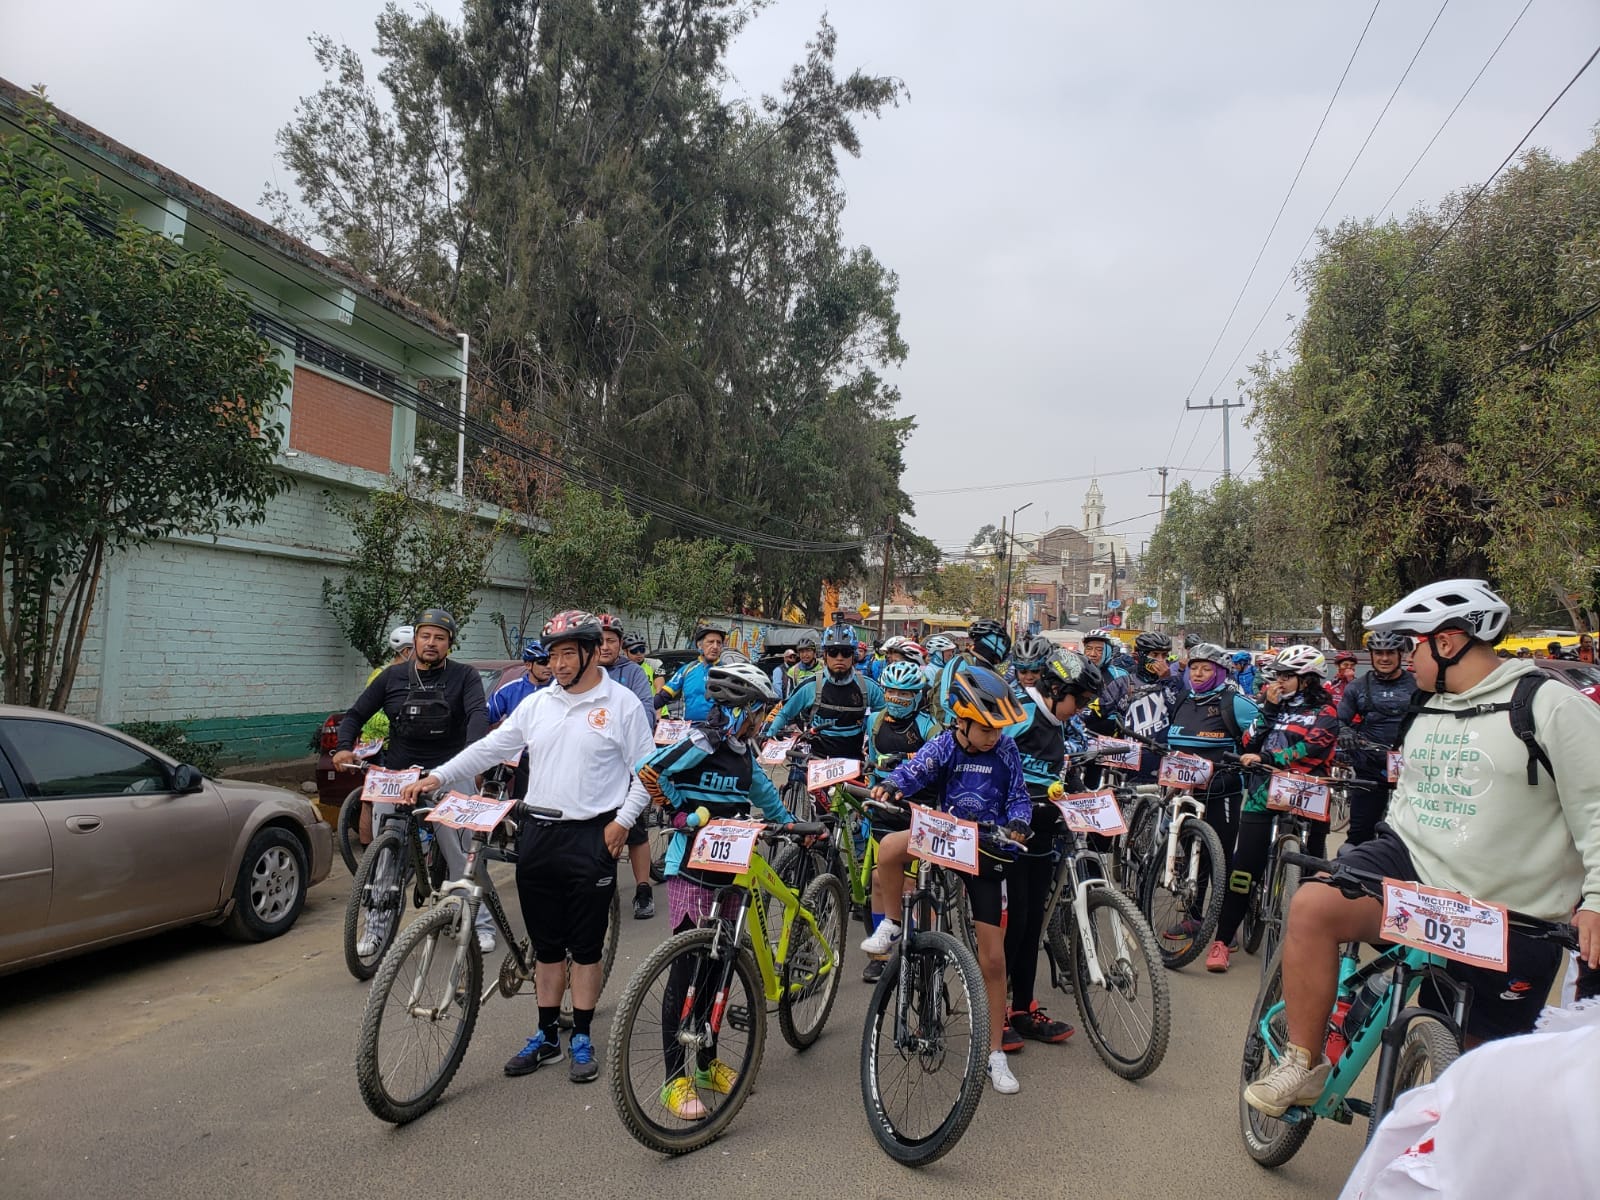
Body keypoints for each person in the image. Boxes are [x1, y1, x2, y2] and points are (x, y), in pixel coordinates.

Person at [1244, 580, 1600, 1119]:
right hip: (1411, 866)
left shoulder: (1550, 705)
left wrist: (1595, 898)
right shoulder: (1427, 706)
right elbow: (1411, 801)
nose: (1406, 660)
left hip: (1510, 909)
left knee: (1479, 1091)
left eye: (1414, 645)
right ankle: (1303, 1059)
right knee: (1313, 905)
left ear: (1450, 642)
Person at [400, 609, 655, 1086]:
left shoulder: (621, 704)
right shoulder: (539, 705)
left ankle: (580, 1034)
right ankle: (546, 1036)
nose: (557, 664)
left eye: (566, 654)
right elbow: (492, 747)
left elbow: (646, 773)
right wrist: (438, 776)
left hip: (592, 835)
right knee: (546, 945)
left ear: (589, 651)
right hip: (537, 833)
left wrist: (621, 825)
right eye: (552, 655)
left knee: (584, 947)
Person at [634, 661, 797, 1119]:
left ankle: (706, 1063)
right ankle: (673, 1080)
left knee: (718, 968)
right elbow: (649, 773)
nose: (761, 720)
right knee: (686, 968)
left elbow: (762, 792)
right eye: (758, 712)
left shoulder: (744, 751)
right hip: (691, 869)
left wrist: (792, 825)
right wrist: (681, 812)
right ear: (740, 710)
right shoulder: (699, 741)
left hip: (732, 869)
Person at [862, 664, 1032, 1095]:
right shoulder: (942, 745)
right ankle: (892, 923)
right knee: (887, 849)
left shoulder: (1007, 750)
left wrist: (1018, 823)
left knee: (992, 960)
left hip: (985, 850)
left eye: (997, 729)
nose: (993, 736)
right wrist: (890, 786)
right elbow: (914, 771)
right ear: (961, 719)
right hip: (942, 837)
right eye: (985, 728)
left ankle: (996, 1053)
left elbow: (1019, 796)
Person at [334, 608, 495, 952]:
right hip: (397, 776)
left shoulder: (464, 677)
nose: (431, 643)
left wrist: (470, 756)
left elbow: (478, 715)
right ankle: (375, 929)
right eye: (426, 636)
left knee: (461, 850)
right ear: (415, 640)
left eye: (440, 637)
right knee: (384, 855)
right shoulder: (391, 677)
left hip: (445, 773)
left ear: (449, 644)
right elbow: (356, 714)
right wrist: (345, 748)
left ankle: (480, 923)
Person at [1207, 644, 1338, 974]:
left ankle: (1309, 943)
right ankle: (1222, 940)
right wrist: (1267, 710)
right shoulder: (1272, 706)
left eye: (1286, 676)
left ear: (1307, 679)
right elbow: (1249, 742)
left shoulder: (1327, 712)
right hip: (1262, 791)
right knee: (1243, 869)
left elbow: (1314, 746)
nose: (1278, 681)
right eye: (1277, 675)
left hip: (1308, 791)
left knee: (1312, 872)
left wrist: (1271, 759)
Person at [1002, 650, 1103, 1049]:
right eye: (1079, 702)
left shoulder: (1056, 721)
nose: (1081, 710)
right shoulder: (1021, 712)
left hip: (1043, 837)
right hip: (1009, 840)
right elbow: (986, 757)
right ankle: (994, 1011)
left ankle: (1023, 1008)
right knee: (1012, 926)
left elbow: (1058, 772)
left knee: (1031, 927)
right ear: (1056, 689)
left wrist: (1088, 800)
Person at [1162, 642, 1261, 952]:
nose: (1199, 673)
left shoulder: (1235, 703)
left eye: (1206, 668)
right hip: (1186, 791)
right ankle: (1194, 917)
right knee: (1194, 852)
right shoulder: (1183, 698)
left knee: (1222, 857)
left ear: (1220, 672)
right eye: (1194, 668)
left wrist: (1251, 757)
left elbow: (1261, 734)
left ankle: (1225, 928)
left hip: (1224, 790)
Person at [859, 660, 940, 984]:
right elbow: (870, 757)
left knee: (911, 886)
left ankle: (925, 951)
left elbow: (934, 766)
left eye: (904, 694)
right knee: (879, 880)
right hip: (882, 808)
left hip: (916, 811)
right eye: (891, 691)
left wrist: (905, 762)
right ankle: (882, 956)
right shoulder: (876, 721)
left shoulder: (928, 727)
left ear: (917, 695)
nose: (896, 698)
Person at [597, 615, 660, 919]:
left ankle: (643, 889)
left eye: (611, 640)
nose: (605, 646)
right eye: (599, 640)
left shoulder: (632, 672)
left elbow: (646, 712)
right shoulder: (585, 673)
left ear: (621, 644)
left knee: (635, 830)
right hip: (594, 768)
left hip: (626, 764)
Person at [1334, 630, 1418, 846]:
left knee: (1412, 837)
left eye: (1390, 652)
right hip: (1370, 767)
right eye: (1378, 652)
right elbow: (1338, 720)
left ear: (1401, 654)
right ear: (1371, 655)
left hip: (1412, 767)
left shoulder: (1418, 685)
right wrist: (1344, 732)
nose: (1384, 658)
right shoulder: (1357, 687)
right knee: (1360, 833)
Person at [763, 625, 886, 758]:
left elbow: (884, 717)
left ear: (853, 656)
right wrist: (767, 736)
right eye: (833, 652)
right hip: (817, 759)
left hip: (855, 761)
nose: (839, 658)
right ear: (825, 655)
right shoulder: (811, 686)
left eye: (845, 652)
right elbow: (785, 713)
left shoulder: (868, 687)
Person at [1098, 630, 1188, 777]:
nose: (1161, 661)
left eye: (1164, 656)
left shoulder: (1176, 683)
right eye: (1154, 655)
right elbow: (1097, 713)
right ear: (1139, 655)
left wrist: (1166, 681)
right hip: (1128, 761)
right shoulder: (1123, 683)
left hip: (1163, 762)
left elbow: (1180, 713)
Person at [487, 640, 555, 801]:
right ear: (528, 665)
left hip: (550, 757)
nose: (549, 666)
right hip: (519, 757)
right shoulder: (511, 689)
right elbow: (486, 716)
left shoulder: (560, 689)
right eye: (543, 662)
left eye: (551, 661)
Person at [655, 624, 725, 720]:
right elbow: (663, 697)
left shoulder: (727, 671)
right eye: (710, 642)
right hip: (690, 729)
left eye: (719, 643)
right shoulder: (687, 669)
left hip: (719, 731)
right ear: (699, 645)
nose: (715, 646)